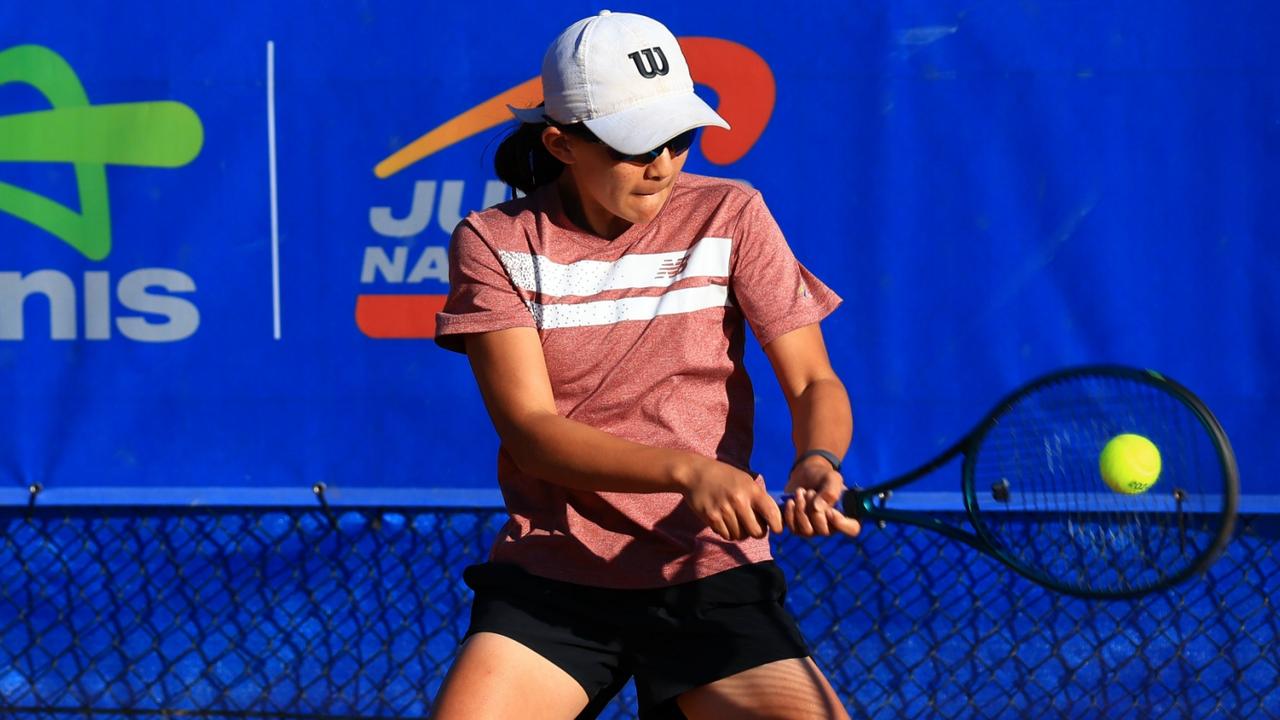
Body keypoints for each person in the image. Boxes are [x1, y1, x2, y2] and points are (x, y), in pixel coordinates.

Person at [430, 10, 859, 720]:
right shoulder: (493, 241)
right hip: (556, 579)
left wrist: (818, 459)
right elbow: (531, 430)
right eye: (635, 146)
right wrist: (688, 471)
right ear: (561, 143)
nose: (662, 162)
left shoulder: (733, 213)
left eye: (679, 137)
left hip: (709, 574)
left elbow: (814, 381)